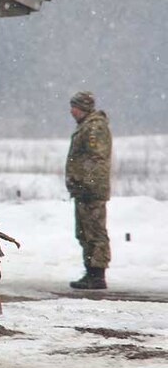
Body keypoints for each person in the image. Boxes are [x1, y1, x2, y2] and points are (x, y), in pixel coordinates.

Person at [65, 91, 112, 290]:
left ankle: (97, 274)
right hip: (83, 190)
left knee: (95, 231)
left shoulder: (94, 127)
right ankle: (90, 272)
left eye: (74, 107)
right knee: (84, 232)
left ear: (82, 107)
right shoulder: (85, 126)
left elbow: (97, 160)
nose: (71, 111)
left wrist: (88, 183)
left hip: (91, 191)